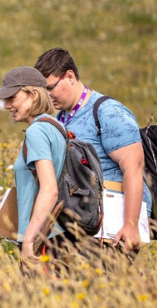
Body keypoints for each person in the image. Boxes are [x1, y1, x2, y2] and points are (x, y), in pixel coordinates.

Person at [35, 48, 150, 255]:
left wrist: (131, 226)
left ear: (69, 76)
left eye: (50, 88)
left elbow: (134, 169)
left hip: (112, 227)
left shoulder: (109, 112)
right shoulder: (61, 118)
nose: (48, 96)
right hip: (78, 223)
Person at [0, 67, 66, 265]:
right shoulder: (55, 127)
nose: (6, 106)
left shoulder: (36, 132)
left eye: (12, 98)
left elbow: (49, 189)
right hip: (57, 234)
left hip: (42, 238)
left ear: (35, 94)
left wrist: (30, 238)